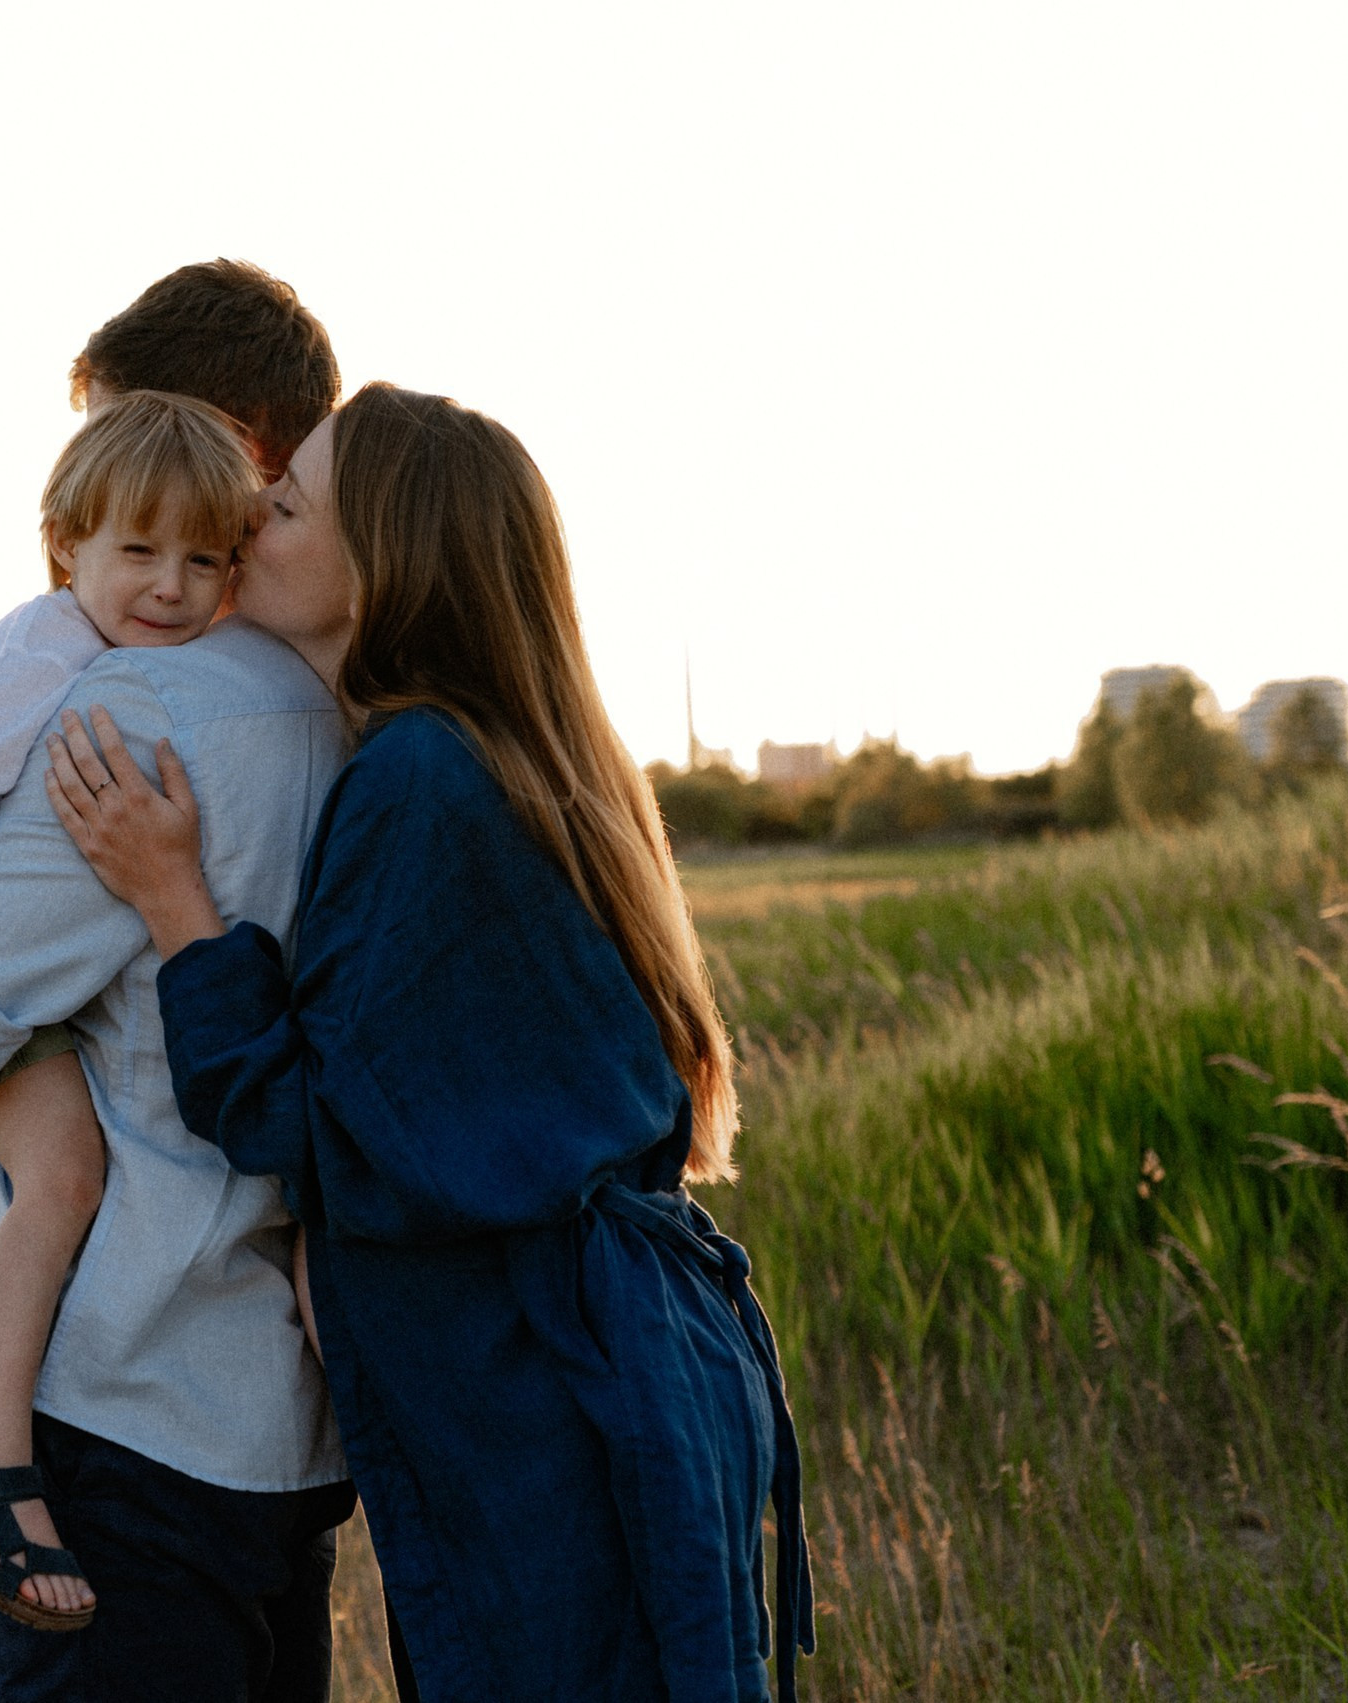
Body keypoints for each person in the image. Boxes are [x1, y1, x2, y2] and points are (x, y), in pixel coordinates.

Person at [42, 383, 815, 1703]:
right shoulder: (494, 754)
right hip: (598, 1366)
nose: (247, 522)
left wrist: (177, 907)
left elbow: (319, 1131)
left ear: (382, 560)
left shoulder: (420, 778)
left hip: (540, 1398)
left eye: (284, 506)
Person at [0, 260, 359, 1702]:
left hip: (132, 1416)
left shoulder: (138, 708)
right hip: (286, 1417)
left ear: (232, 453)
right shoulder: (366, 707)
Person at [0, 388, 264, 1628]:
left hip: (15, 972)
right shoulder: (48, 654)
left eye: (204, 559)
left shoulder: (130, 659)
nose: (173, 585)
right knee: (63, 1175)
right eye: (139, 550)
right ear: (66, 542)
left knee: (67, 1173)